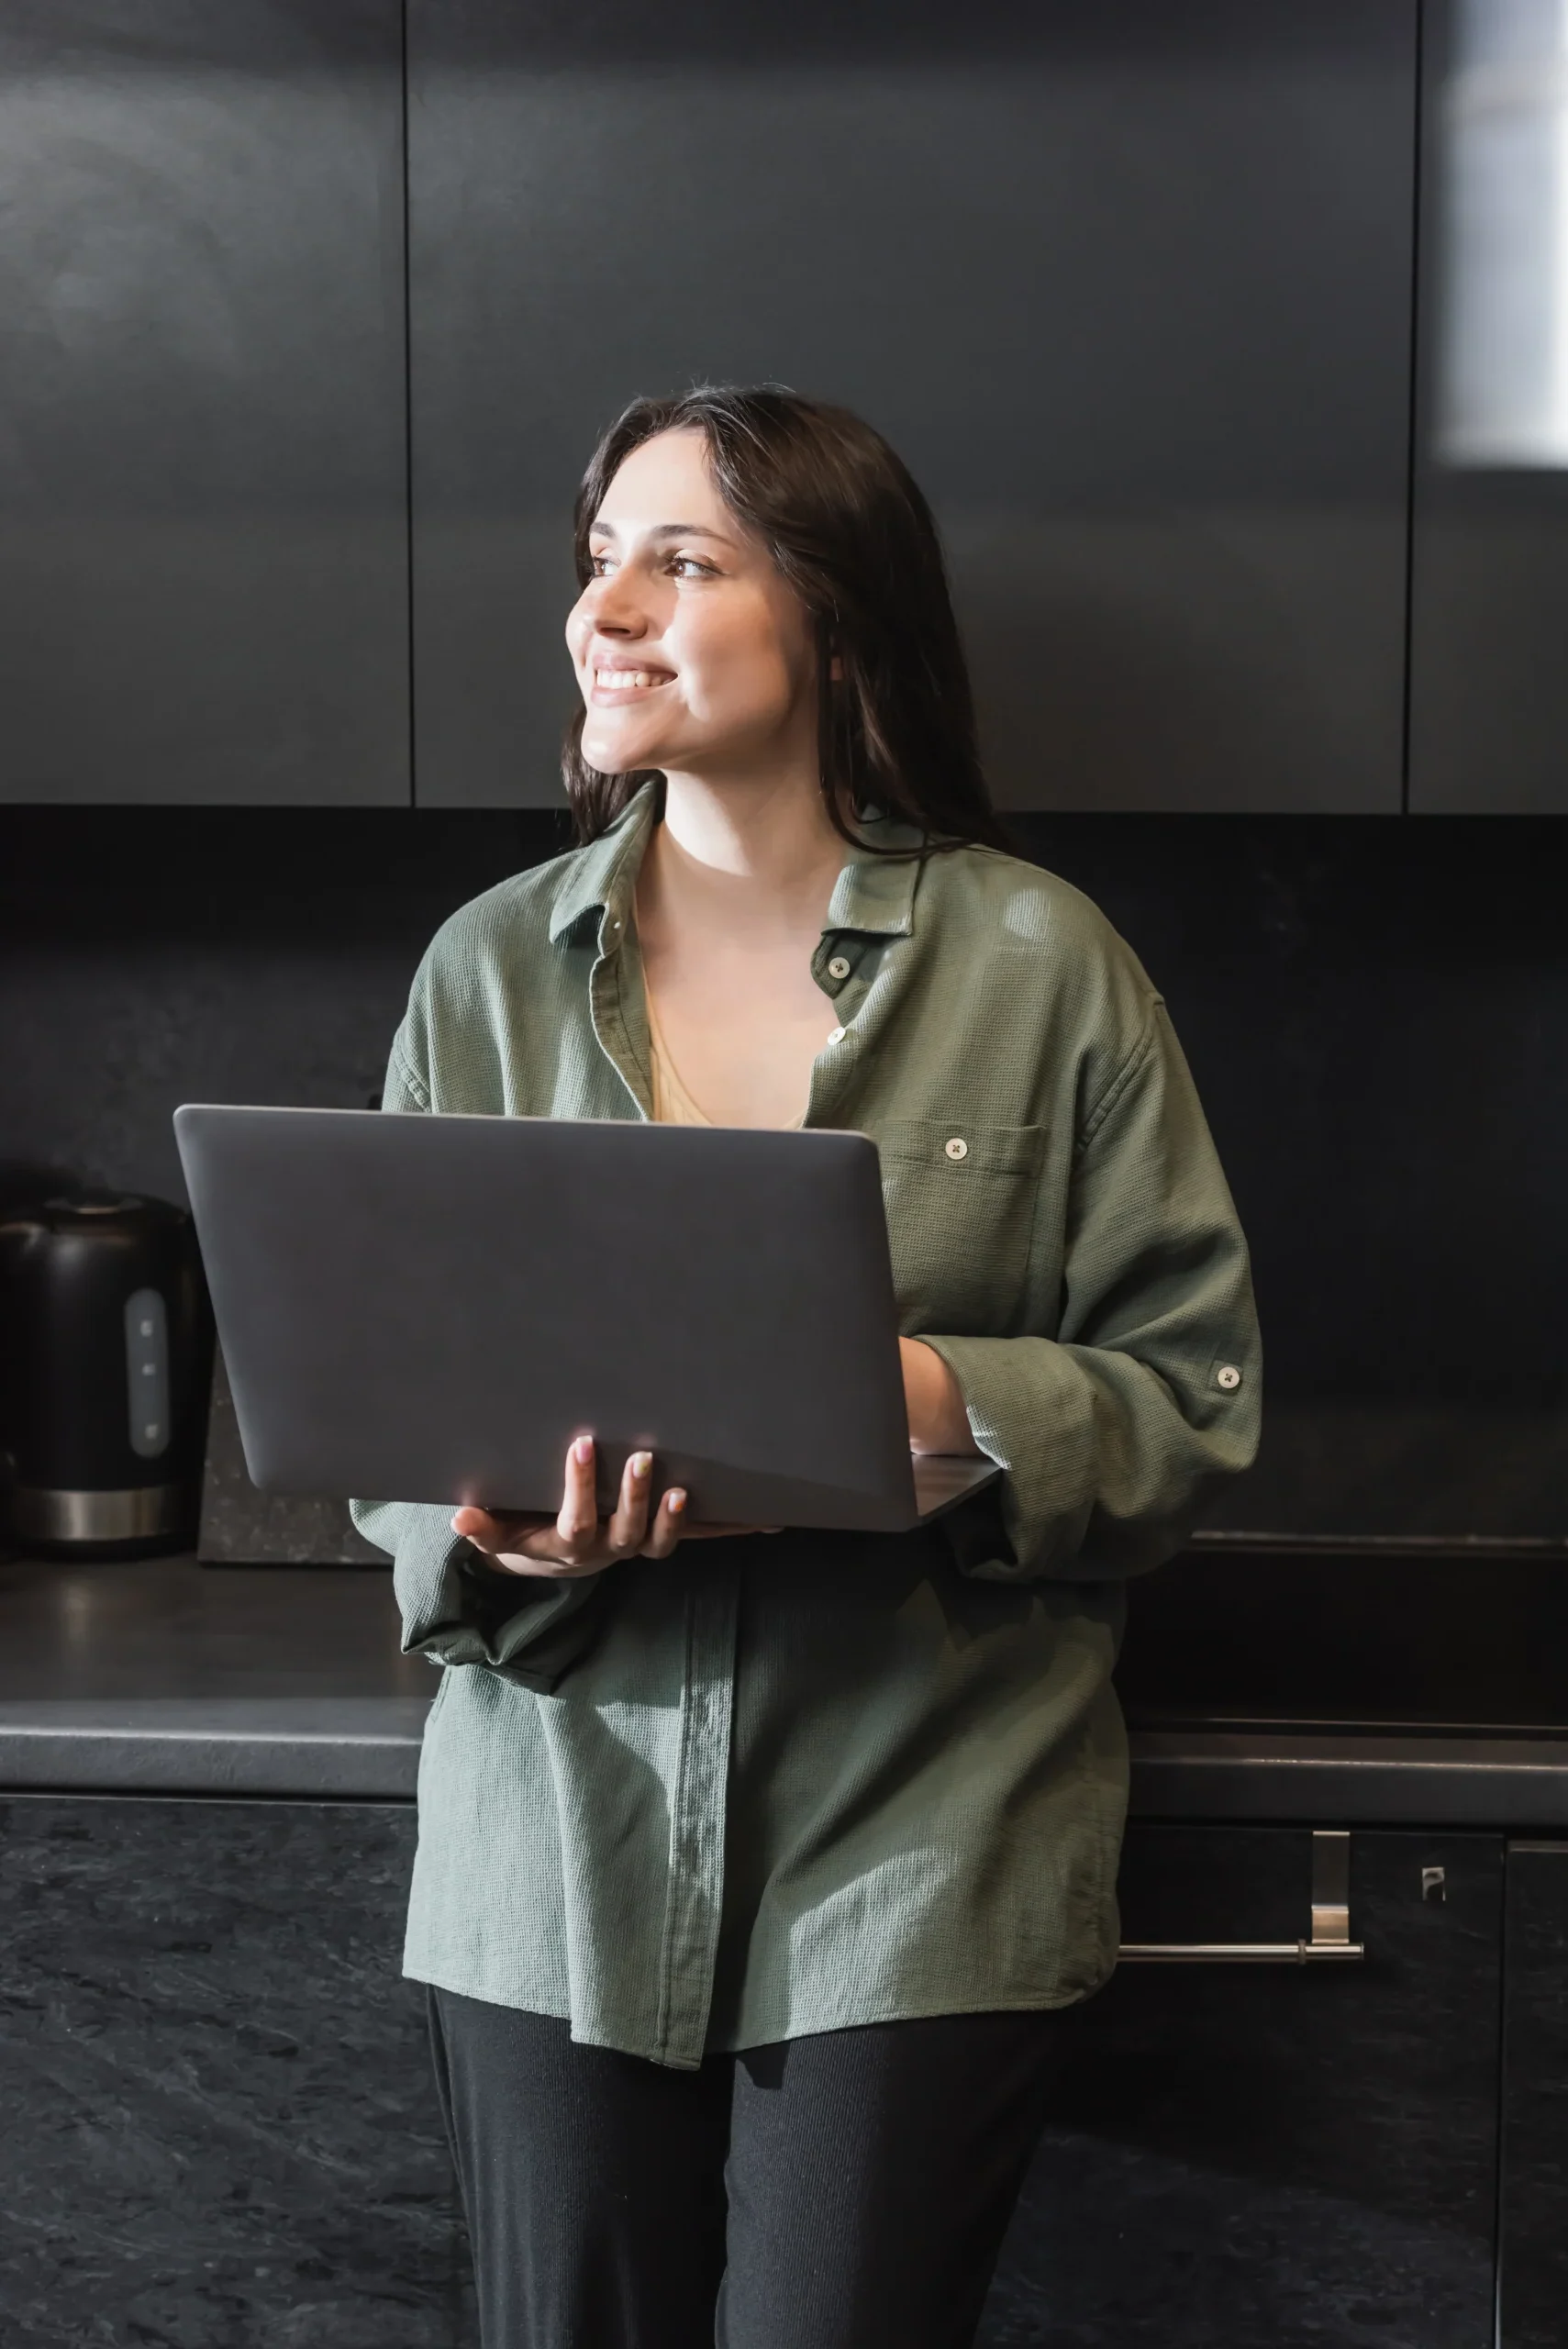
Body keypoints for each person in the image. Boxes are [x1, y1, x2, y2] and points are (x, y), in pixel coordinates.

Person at [351, 384, 1261, 2349]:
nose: (605, 606)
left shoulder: (1046, 969)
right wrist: (497, 1526)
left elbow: (1186, 1395)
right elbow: (390, 1416)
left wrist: (921, 1394)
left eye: (678, 560)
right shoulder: (485, 971)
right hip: (552, 1844)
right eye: (598, 558)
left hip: (917, 1830)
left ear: (834, 623)